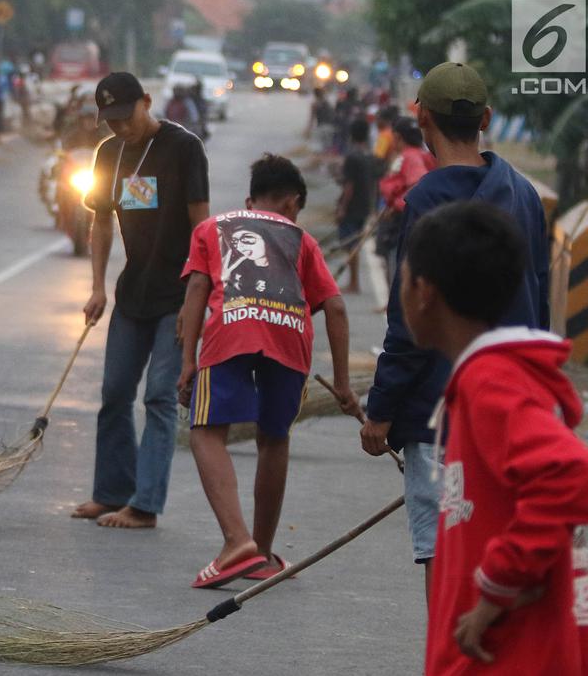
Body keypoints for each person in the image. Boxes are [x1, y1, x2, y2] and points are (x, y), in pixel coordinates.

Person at [361, 62, 551, 600]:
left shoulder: (427, 201)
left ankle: (450, 647)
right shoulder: (523, 194)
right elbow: (539, 303)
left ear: (422, 119)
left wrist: (381, 410)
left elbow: (410, 321)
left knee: (445, 552)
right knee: (495, 545)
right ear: (486, 119)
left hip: (440, 415)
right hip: (513, 407)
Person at [397, 201, 588, 674]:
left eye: (403, 280)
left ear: (424, 291)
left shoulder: (491, 382)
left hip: (505, 656)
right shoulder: (483, 379)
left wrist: (498, 585)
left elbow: (568, 472)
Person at [177, 154, 358, 587]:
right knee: (274, 439)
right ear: (293, 203)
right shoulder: (302, 238)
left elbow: (198, 288)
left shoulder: (212, 227)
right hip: (289, 337)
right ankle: (260, 553)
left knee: (205, 431)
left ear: (250, 200)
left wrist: (188, 362)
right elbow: (334, 307)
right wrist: (343, 385)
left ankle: (236, 541)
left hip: (231, 330)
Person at [72, 72, 210, 529]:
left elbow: (201, 226)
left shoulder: (183, 148)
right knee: (114, 392)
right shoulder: (108, 153)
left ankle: (145, 505)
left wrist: (196, 298)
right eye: (110, 120)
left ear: (146, 102)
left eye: (126, 116)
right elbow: (102, 222)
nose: (120, 127)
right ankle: (111, 492)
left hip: (177, 294)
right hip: (134, 292)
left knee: (158, 397)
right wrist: (97, 286)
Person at [375, 117, 435, 284]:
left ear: (398, 137)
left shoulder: (410, 157)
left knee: (397, 265)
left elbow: (418, 182)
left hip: (401, 220)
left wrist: (396, 206)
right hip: (405, 217)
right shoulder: (420, 155)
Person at [336, 119, 376, 294]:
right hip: (364, 205)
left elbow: (349, 186)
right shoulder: (369, 156)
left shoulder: (352, 157)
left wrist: (342, 208)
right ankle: (354, 282)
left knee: (350, 244)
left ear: (351, 135)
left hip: (352, 207)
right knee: (354, 244)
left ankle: (353, 283)